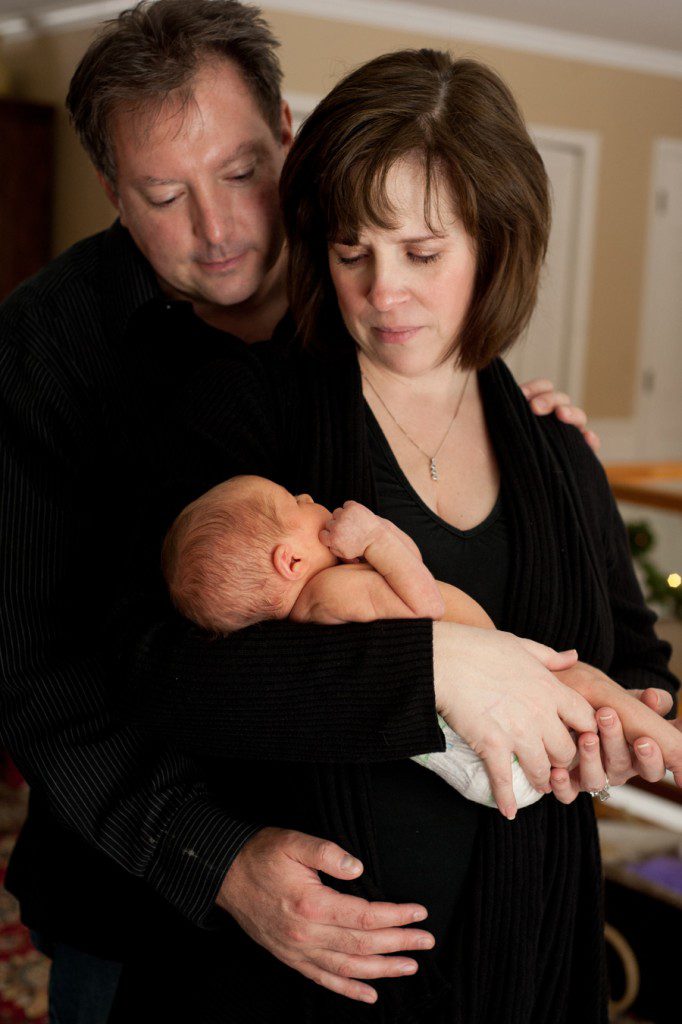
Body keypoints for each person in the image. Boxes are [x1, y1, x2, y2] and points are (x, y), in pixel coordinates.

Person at [0, 2, 676, 1019]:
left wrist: (628, 712)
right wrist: (222, 857)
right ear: (114, 191)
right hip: (159, 894)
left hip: (515, 947)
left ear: (285, 134)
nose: (219, 228)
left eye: (240, 173)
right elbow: (76, 671)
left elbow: (628, 652)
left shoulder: (509, 413)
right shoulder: (81, 364)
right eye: (165, 194)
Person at [161, 473, 682, 812]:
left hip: (483, 754)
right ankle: (673, 747)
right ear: (291, 560)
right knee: (583, 680)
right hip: (488, 739)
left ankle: (646, 730)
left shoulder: (319, 609)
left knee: (594, 710)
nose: (307, 498)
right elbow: (425, 605)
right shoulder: (333, 590)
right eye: (294, 502)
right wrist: (376, 538)